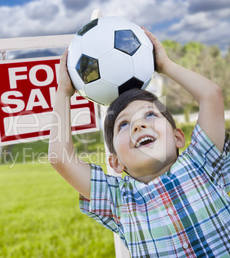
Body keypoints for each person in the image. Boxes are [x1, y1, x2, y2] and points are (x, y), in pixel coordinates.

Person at [48, 27, 230, 257]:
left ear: (177, 137)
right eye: (123, 125)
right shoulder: (119, 200)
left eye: (150, 115)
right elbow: (59, 157)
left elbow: (211, 95)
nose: (138, 125)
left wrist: (165, 65)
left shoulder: (201, 162)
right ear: (115, 162)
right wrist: (63, 92)